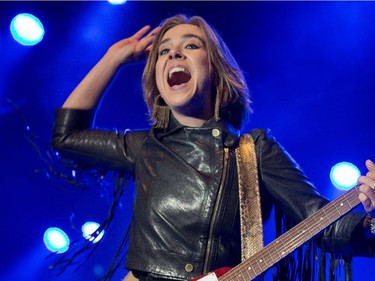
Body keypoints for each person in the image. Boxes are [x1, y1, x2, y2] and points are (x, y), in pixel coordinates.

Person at [51, 14, 375, 281]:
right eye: (164, 51)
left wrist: (373, 220)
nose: (174, 54)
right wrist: (113, 59)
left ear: (216, 70)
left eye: (191, 46)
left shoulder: (255, 150)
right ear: (158, 84)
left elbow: (328, 229)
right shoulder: (146, 146)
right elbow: (66, 137)